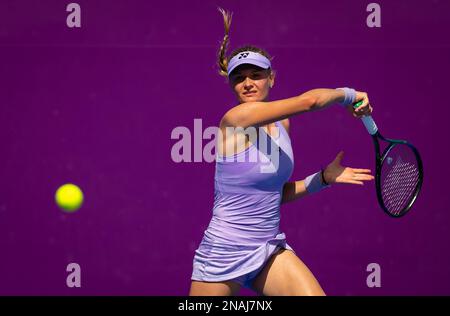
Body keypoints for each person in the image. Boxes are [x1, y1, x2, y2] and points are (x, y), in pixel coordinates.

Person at [189, 8, 374, 296]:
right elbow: (311, 101)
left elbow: (275, 193)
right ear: (232, 85)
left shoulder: (282, 124)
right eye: (240, 78)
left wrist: (323, 178)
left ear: (271, 78)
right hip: (224, 251)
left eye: (256, 75)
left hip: (268, 249)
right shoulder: (237, 118)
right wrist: (350, 94)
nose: (248, 83)